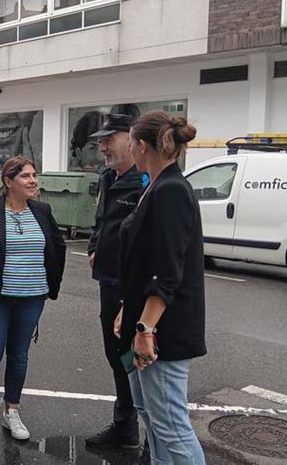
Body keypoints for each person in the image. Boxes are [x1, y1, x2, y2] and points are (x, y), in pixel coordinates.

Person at [116, 111, 206, 464]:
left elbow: (168, 271)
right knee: (151, 415)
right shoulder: (156, 186)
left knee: (170, 425)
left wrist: (145, 328)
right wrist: (129, 308)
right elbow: (144, 263)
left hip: (162, 334)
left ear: (141, 146)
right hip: (148, 324)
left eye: (128, 142)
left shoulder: (171, 190)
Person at [0, 156, 66, 441]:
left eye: (34, 175)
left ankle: (12, 410)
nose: (33, 181)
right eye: (25, 176)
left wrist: (51, 286)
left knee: (19, 356)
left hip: (32, 296)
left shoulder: (42, 210)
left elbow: (57, 248)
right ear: (8, 182)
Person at [84, 114, 145, 451]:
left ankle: (149, 436)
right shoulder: (108, 177)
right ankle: (125, 427)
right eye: (101, 140)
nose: (102, 146)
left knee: (135, 361)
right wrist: (94, 247)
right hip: (107, 281)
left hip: (132, 286)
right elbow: (100, 220)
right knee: (115, 355)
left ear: (133, 139)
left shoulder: (144, 183)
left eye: (109, 139)